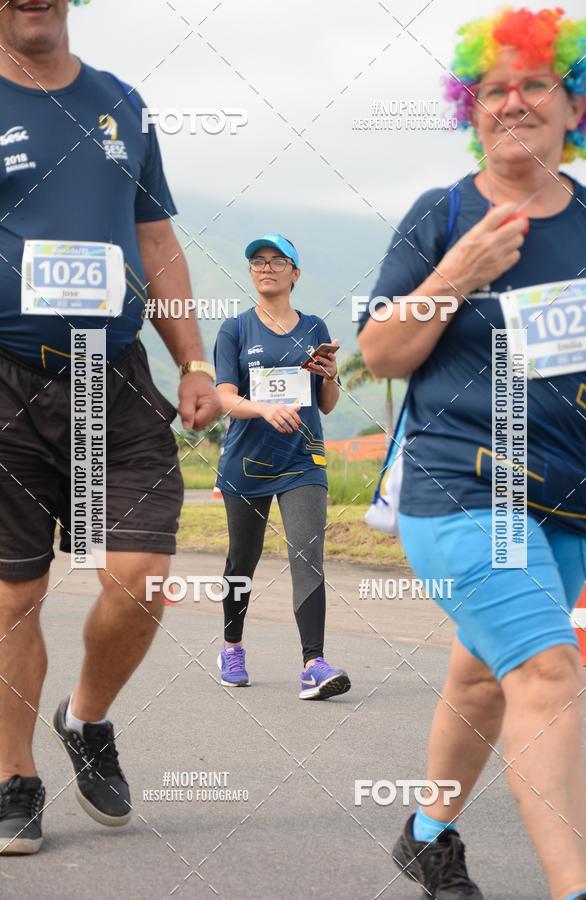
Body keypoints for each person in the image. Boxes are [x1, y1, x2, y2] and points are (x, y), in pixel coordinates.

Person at [358, 7, 586, 900]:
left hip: (574, 499)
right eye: (493, 89)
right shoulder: (444, 213)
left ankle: (428, 835)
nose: (513, 103)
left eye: (534, 84)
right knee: (546, 669)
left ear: (575, 104)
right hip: (460, 487)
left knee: (484, 673)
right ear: (473, 109)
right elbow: (378, 356)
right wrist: (457, 273)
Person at [0, 0, 221, 854]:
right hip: (8, 383)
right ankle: (15, 778)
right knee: (15, 597)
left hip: (112, 382)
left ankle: (84, 718)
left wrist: (194, 361)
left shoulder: (120, 102)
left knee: (139, 576)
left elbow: (153, 233)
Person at [213, 233, 351, 700]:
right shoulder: (234, 329)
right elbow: (226, 398)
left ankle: (313, 663)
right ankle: (232, 646)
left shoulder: (313, 327)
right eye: (257, 261)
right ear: (251, 273)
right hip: (246, 464)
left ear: (295, 272)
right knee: (243, 560)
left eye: (277, 260)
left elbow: (327, 404)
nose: (266, 267)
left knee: (306, 555)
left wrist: (330, 377)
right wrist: (263, 408)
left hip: (303, 461)